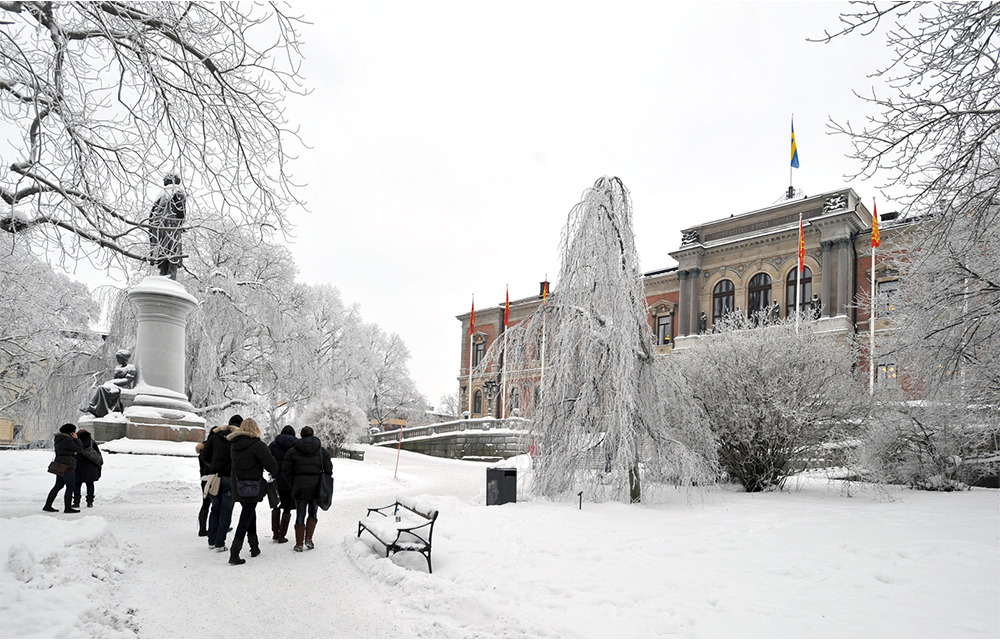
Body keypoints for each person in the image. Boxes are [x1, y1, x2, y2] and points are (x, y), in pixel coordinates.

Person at [227, 418, 278, 566]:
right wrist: (272, 471)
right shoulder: (257, 445)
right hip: (253, 486)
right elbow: (271, 464)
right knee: (246, 516)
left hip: (238, 485)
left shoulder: (234, 445)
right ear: (256, 429)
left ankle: (254, 546)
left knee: (249, 511)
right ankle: (234, 553)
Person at [282, 426, 332, 552]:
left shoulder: (292, 451)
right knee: (313, 512)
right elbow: (329, 469)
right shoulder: (321, 451)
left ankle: (299, 543)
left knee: (300, 512)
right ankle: (309, 538)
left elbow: (286, 470)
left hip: (299, 485)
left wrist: (293, 483)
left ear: (301, 435)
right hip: (316, 486)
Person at [200, 414, 241, 552]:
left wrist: (212, 466)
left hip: (215, 478)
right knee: (226, 511)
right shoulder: (239, 438)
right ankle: (219, 543)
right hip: (230, 478)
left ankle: (211, 541)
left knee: (215, 509)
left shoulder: (215, 437)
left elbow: (203, 455)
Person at [148, 172, 186, 280]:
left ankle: (163, 274)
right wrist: (180, 225)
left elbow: (151, 216)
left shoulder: (160, 195)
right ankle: (170, 276)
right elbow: (181, 212)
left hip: (158, 229)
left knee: (163, 252)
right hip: (171, 226)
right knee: (173, 252)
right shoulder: (179, 192)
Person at [82, 349, 136, 417]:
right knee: (101, 388)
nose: (117, 360)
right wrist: (111, 383)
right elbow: (115, 378)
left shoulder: (131, 367)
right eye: (117, 358)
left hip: (123, 387)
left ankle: (93, 406)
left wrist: (112, 382)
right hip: (114, 385)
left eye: (119, 358)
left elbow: (127, 380)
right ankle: (93, 407)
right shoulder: (117, 367)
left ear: (124, 358)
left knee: (102, 388)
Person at [43, 423, 84, 513]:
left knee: (58, 485)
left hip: (60, 465)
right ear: (71, 432)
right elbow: (80, 449)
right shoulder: (68, 439)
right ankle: (68, 508)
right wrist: (76, 439)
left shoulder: (59, 438)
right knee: (70, 486)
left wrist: (72, 451)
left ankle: (47, 505)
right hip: (68, 465)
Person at [267, 425, 297, 543]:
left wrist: (272, 470)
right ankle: (282, 535)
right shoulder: (296, 445)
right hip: (290, 479)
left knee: (276, 504)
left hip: (276, 479)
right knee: (287, 506)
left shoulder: (274, 445)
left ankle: (275, 532)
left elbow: (268, 458)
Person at [72, 429, 102, 508]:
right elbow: (98, 454)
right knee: (90, 484)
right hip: (91, 467)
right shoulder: (92, 443)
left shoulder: (76, 442)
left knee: (77, 485)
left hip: (78, 467)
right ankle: (90, 502)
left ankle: (76, 502)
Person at [195, 440, 211, 537]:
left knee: (205, 503)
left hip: (204, 479)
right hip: (213, 478)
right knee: (217, 504)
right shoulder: (211, 450)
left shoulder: (202, 452)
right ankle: (219, 526)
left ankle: (202, 528)